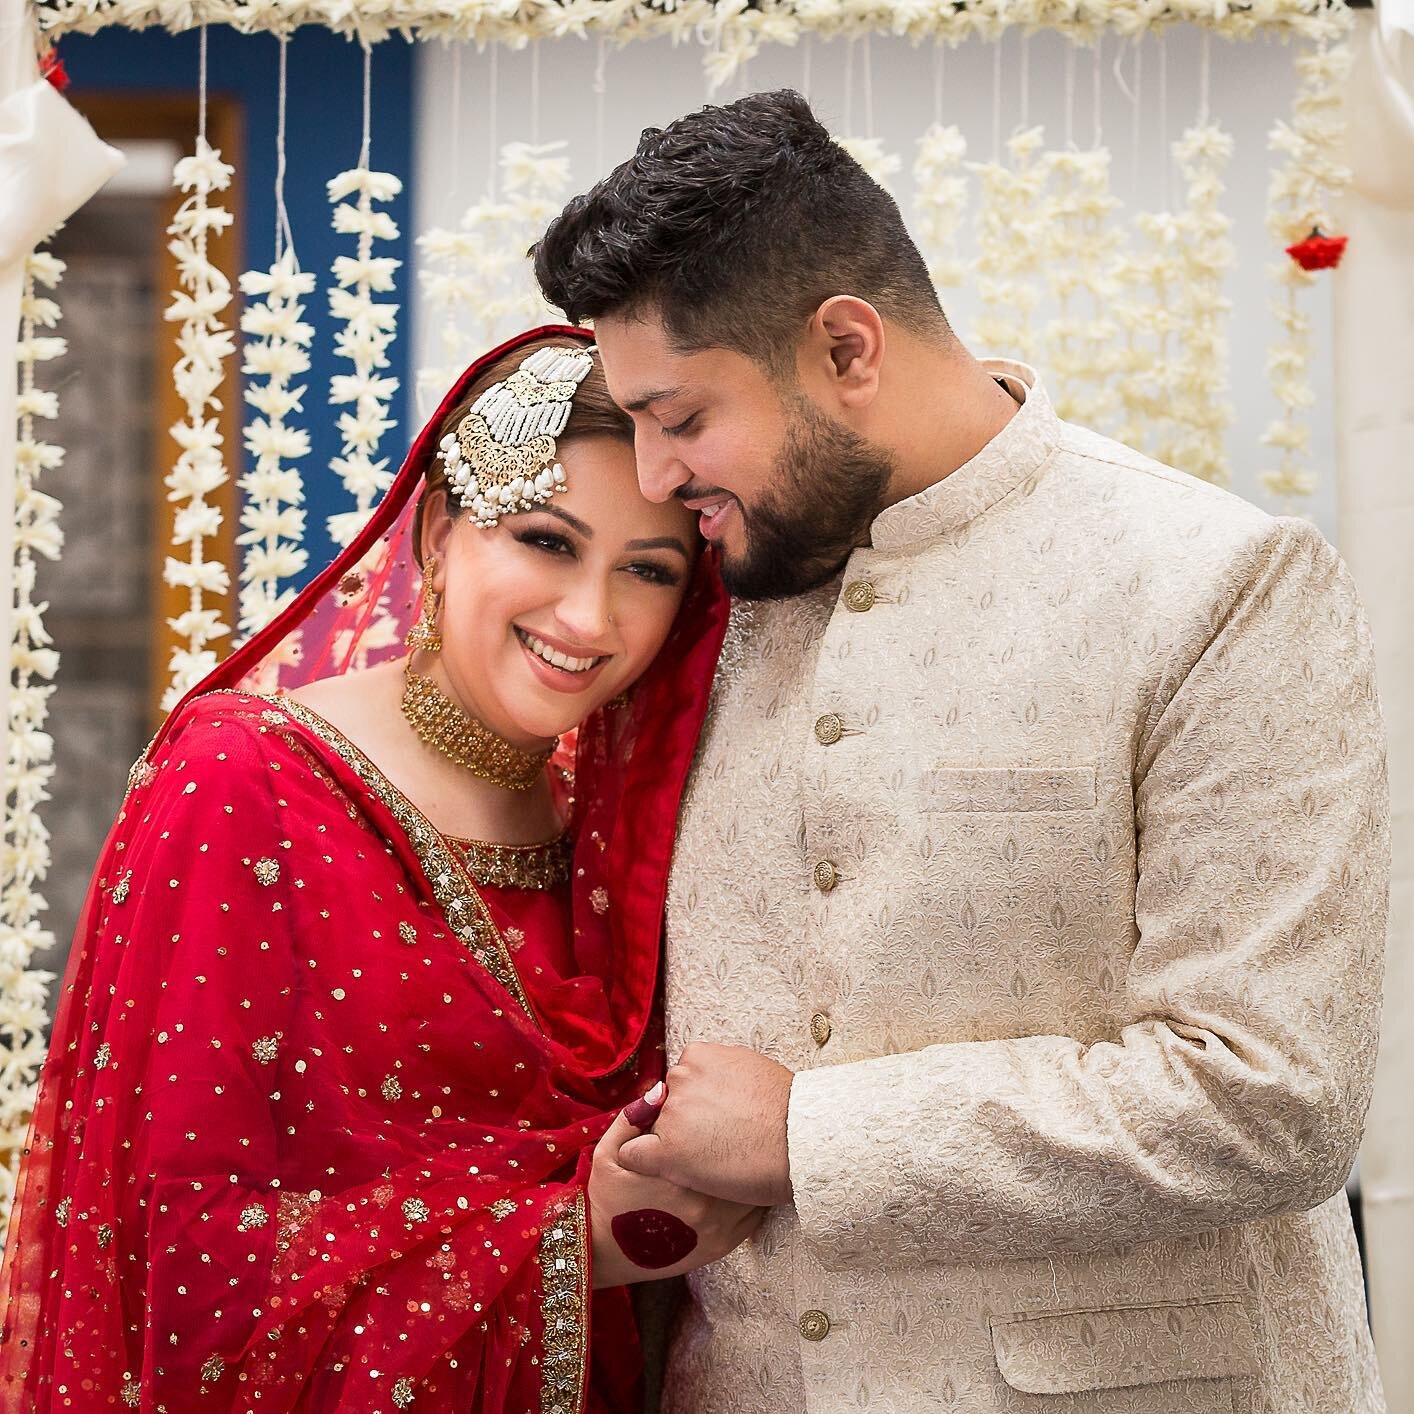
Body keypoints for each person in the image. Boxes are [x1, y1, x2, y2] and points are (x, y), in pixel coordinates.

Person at [532, 92, 1391, 1412]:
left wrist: (805, 1135)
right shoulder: (706, 606)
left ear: (846, 348)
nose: (651, 474)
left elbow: (1268, 1093)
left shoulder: (1212, 585)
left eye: (683, 415)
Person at [0, 328, 760, 1411]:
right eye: (547, 540)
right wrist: (569, 1243)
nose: (591, 618)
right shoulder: (246, 777)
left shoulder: (615, 841)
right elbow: (180, 1262)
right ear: (442, 533)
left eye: (647, 569)